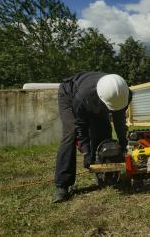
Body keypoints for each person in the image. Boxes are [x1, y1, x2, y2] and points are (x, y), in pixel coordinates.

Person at [53, 72, 132, 202]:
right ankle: (62, 186)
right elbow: (81, 126)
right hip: (69, 93)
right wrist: (86, 152)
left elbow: (119, 121)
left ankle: (106, 174)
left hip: (96, 97)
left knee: (103, 129)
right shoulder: (83, 97)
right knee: (71, 133)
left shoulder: (124, 93)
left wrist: (123, 145)